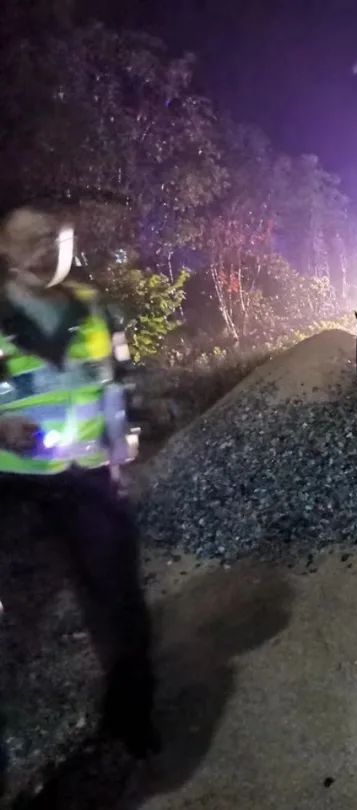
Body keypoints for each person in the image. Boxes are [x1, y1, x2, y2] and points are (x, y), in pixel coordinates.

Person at [0, 208, 156, 798]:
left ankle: (130, 729)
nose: (47, 250)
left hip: (90, 480)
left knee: (120, 606)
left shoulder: (92, 307)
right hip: (17, 494)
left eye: (56, 240)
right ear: (7, 251)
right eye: (32, 242)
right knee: (24, 623)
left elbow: (121, 378)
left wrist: (128, 436)